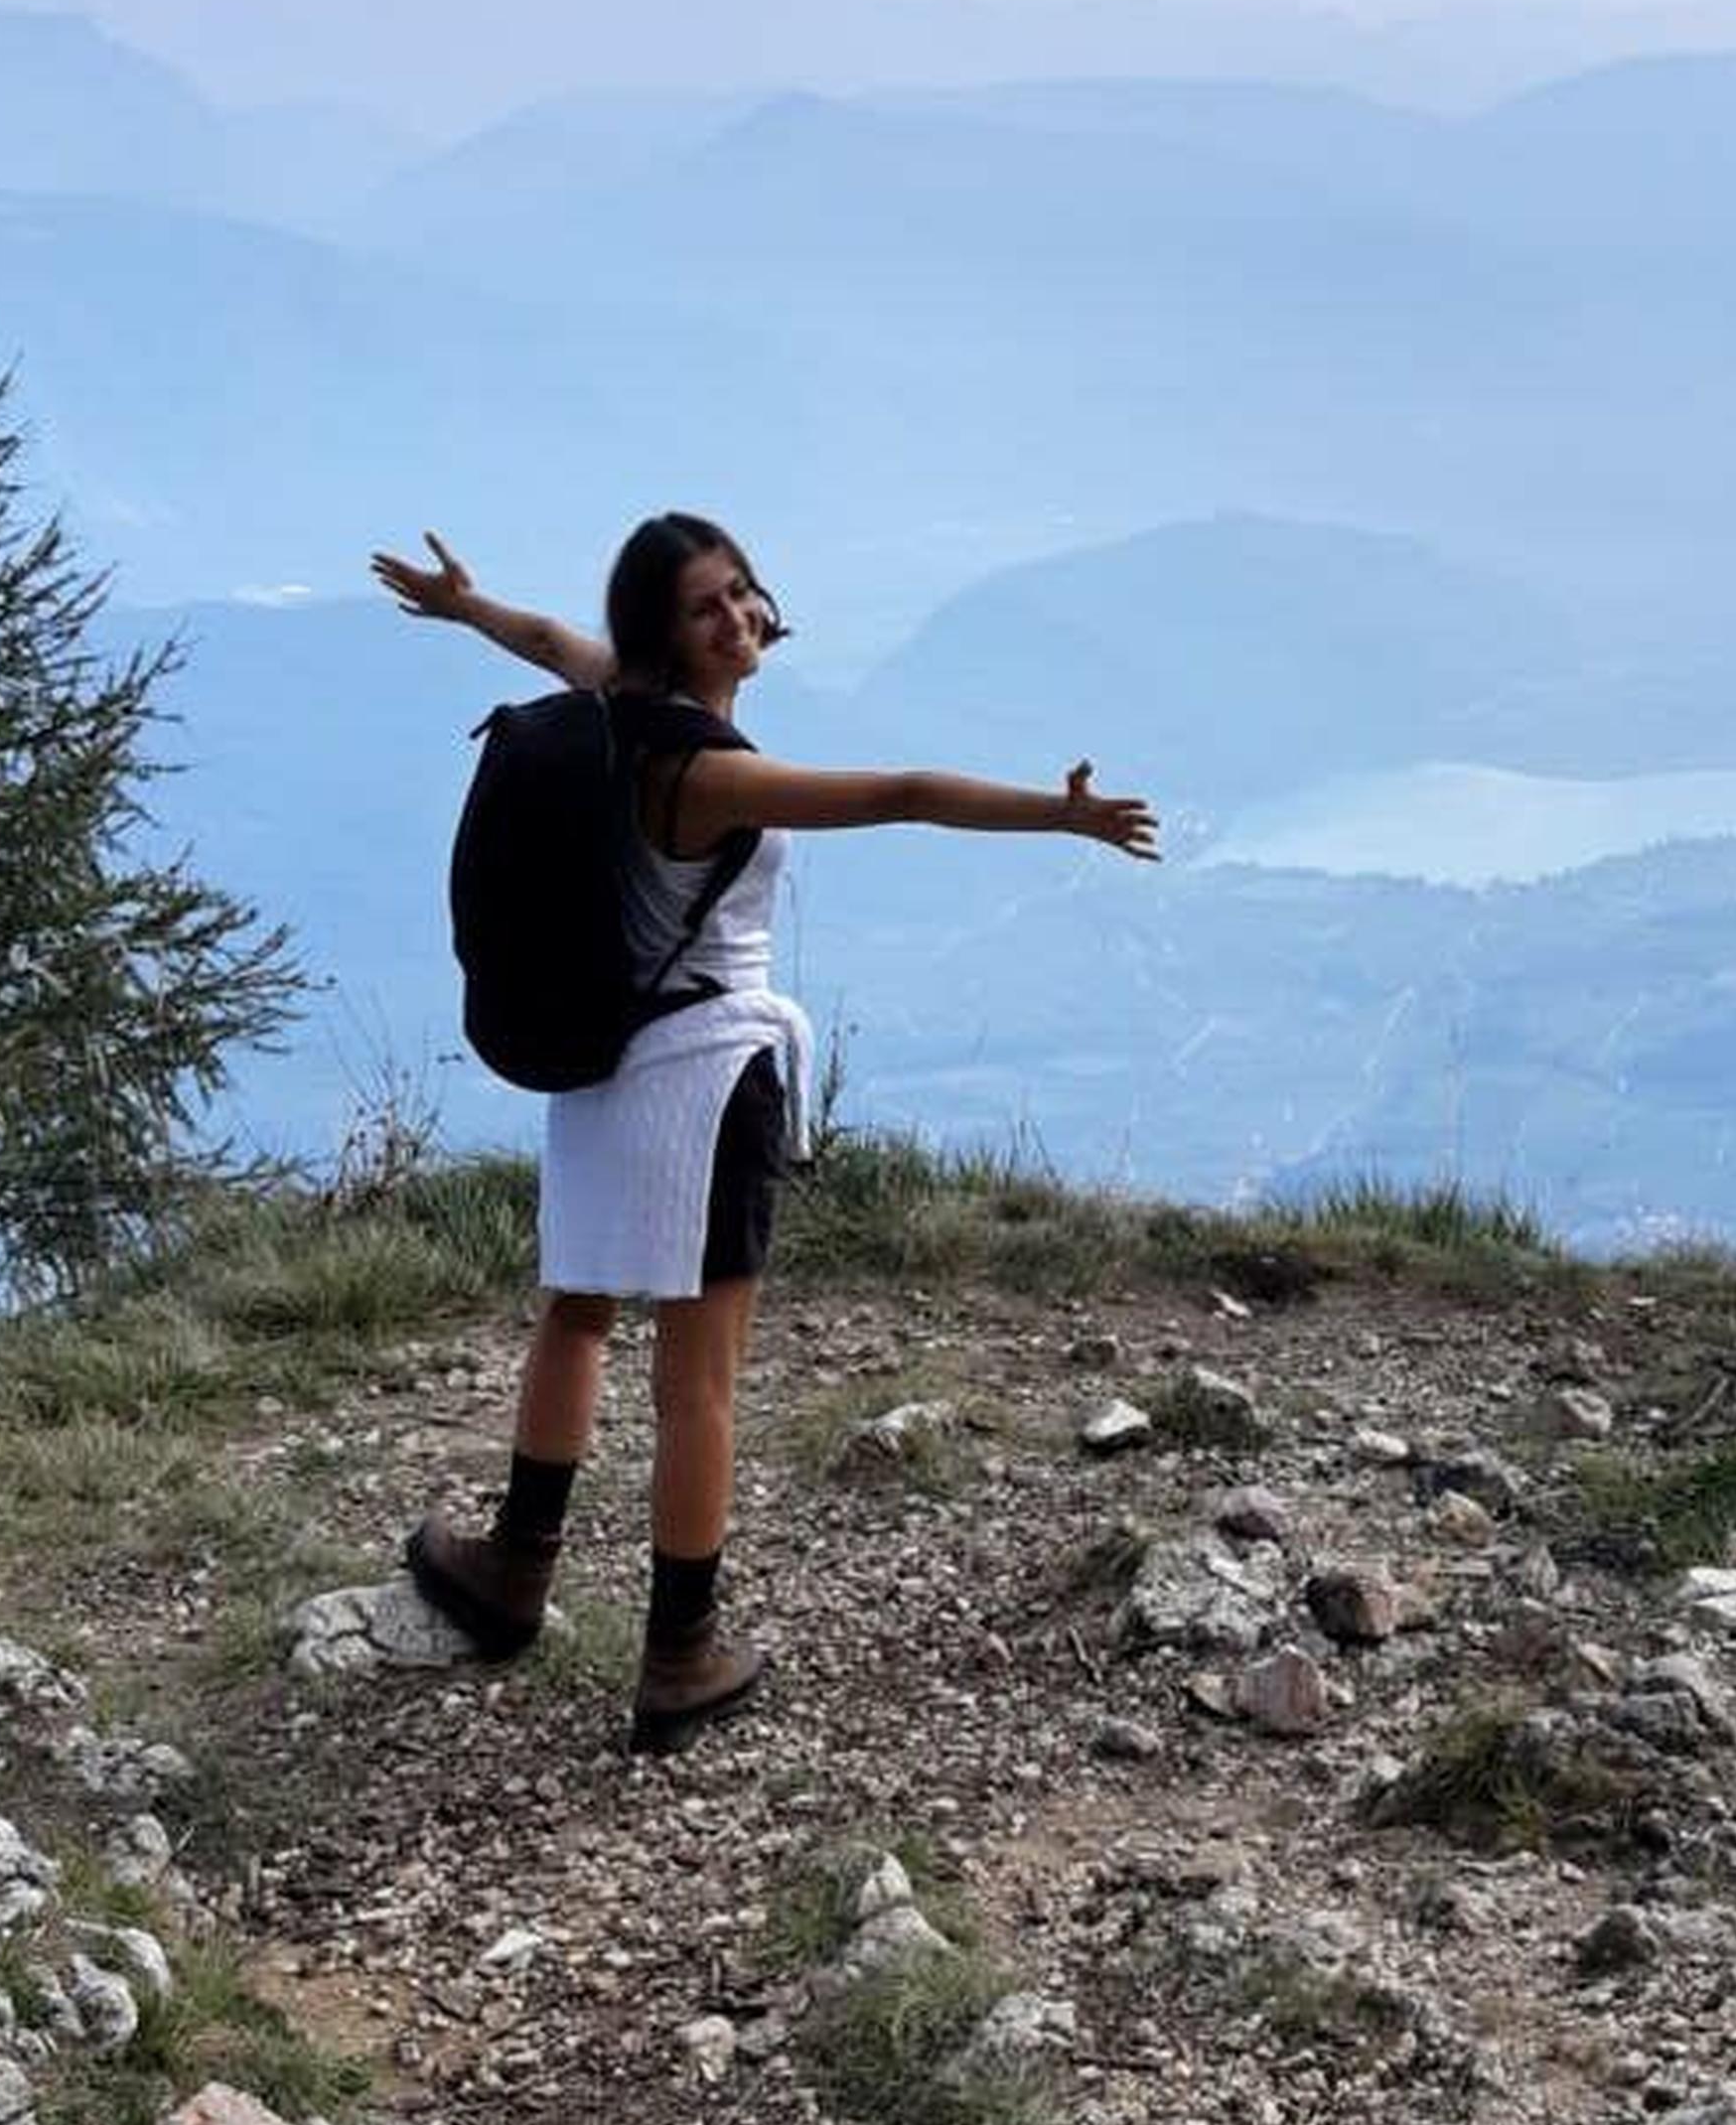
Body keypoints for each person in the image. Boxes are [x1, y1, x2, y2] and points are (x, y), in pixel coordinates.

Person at [369, 510, 1157, 1746]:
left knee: (576, 1313)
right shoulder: (710, 772)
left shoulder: (613, 699)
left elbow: (545, 640)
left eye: (741, 590)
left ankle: (514, 1570)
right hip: (708, 1078)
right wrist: (1055, 818)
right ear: (666, 633)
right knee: (700, 1386)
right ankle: (680, 1654)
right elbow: (900, 792)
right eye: (707, 604)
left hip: (605, 1063)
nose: (738, 615)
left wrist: (466, 607)